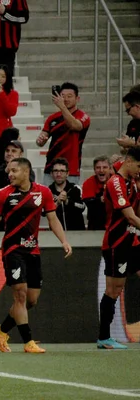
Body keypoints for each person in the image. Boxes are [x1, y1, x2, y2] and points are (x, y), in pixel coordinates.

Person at [0, 157, 72, 354]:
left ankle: (1, 330)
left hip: (33, 251)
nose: (9, 174)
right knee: (20, 295)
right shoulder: (3, 195)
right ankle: (28, 342)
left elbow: (52, 219)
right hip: (12, 250)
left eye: (14, 171)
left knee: (31, 300)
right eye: (8, 171)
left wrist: (63, 240)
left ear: (26, 172)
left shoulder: (43, 192)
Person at [98, 146, 140, 350]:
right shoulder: (116, 183)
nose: (139, 171)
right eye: (139, 166)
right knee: (113, 290)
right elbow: (130, 217)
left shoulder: (130, 180)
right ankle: (104, 336)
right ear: (129, 161)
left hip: (132, 241)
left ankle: (104, 336)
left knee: (115, 288)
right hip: (117, 243)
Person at [36, 82, 91, 185]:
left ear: (77, 99)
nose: (65, 99)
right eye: (63, 96)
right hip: (51, 169)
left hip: (71, 169)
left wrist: (63, 108)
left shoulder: (83, 116)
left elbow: (75, 125)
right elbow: (41, 140)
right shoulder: (52, 118)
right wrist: (40, 140)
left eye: (69, 96)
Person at [48, 158, 85, 231]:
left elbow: (82, 207)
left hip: (77, 233)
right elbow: (42, 212)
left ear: (67, 173)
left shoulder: (75, 189)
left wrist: (67, 201)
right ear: (51, 174)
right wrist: (56, 204)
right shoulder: (47, 191)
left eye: (62, 171)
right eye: (56, 171)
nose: (58, 174)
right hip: (56, 234)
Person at [82, 155, 111, 230]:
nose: (101, 170)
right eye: (98, 168)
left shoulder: (116, 181)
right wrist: (100, 199)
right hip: (95, 224)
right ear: (94, 170)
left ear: (110, 169)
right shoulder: (88, 183)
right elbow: (89, 203)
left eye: (105, 167)